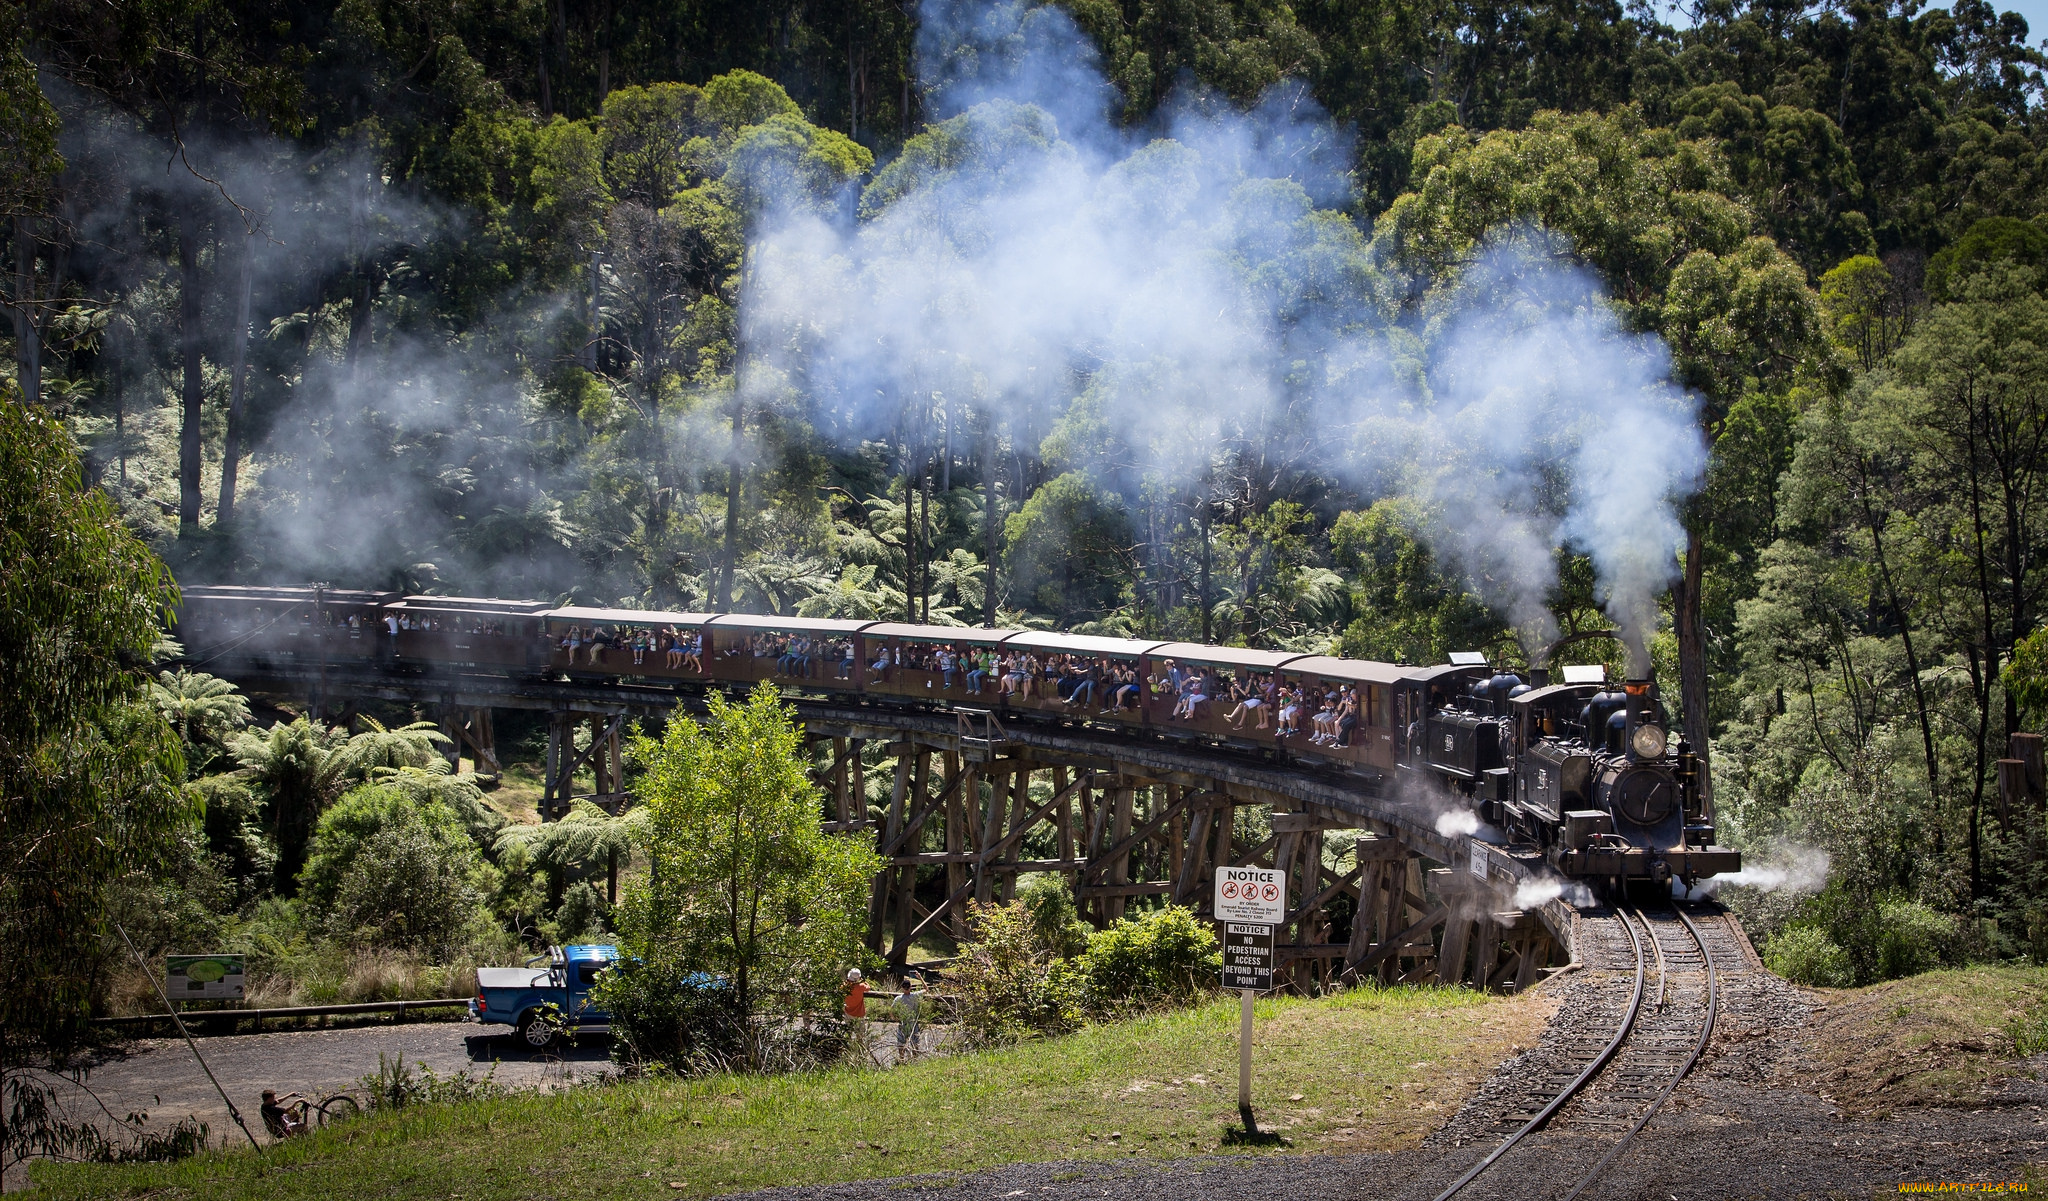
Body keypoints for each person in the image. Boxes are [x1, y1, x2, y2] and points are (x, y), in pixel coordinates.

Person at [895, 970, 924, 1062]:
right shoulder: (915, 996)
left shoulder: (898, 999)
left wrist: (895, 1018)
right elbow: (926, 989)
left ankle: (902, 1059)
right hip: (913, 1021)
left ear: (902, 988)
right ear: (911, 987)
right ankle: (915, 1059)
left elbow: (892, 1010)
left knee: (901, 1042)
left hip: (903, 1021)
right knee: (915, 1042)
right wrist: (920, 978)